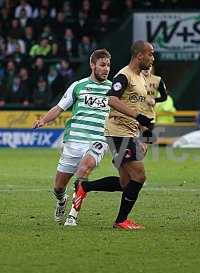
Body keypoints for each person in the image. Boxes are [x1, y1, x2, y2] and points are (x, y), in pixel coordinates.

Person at [32, 49, 152, 225]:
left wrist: (139, 135)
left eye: (108, 65)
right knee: (58, 187)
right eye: (102, 65)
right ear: (92, 65)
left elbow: (127, 116)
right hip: (74, 140)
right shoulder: (78, 86)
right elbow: (59, 108)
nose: (106, 69)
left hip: (99, 139)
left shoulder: (115, 90)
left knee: (84, 169)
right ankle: (62, 201)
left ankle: (73, 215)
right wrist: (43, 120)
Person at [70, 41, 155, 230]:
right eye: (150, 54)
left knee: (126, 183)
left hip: (130, 133)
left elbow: (141, 109)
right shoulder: (123, 76)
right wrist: (137, 118)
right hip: (118, 133)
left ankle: (85, 187)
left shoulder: (140, 78)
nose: (152, 58)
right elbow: (112, 99)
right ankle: (121, 221)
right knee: (139, 176)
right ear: (139, 55)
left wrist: (143, 136)